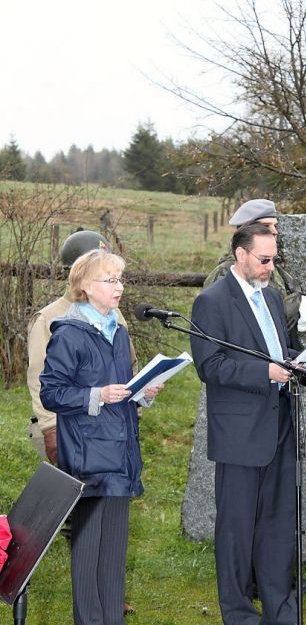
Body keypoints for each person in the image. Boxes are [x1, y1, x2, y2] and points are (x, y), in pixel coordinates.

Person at [190, 222, 306, 625]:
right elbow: (210, 364)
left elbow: (275, 349)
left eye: (273, 259)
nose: (270, 267)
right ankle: (239, 614)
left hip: (279, 424)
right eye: (264, 259)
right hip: (238, 434)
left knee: (279, 526)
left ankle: (282, 612)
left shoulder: (270, 297)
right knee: (236, 532)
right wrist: (265, 373)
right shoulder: (212, 302)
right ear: (241, 254)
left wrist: (302, 360)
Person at [39, 249, 163, 625]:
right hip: (88, 457)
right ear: (85, 287)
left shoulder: (119, 330)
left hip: (121, 453)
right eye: (110, 280)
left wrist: (142, 393)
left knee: (114, 554)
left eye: (120, 279)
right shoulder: (69, 333)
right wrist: (96, 395)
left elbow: (120, 388)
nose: (119, 287)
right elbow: (51, 393)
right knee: (89, 552)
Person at [27, 229, 138, 465]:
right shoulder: (50, 318)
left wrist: (136, 399)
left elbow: (129, 361)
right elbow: (40, 379)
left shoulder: (113, 314)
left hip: (110, 425)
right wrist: (50, 428)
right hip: (67, 426)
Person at [204, 199, 306, 348]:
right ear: (246, 230)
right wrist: (297, 304)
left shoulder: (276, 267)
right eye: (266, 226)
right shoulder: (226, 272)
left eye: (275, 226)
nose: (275, 231)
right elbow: (244, 323)